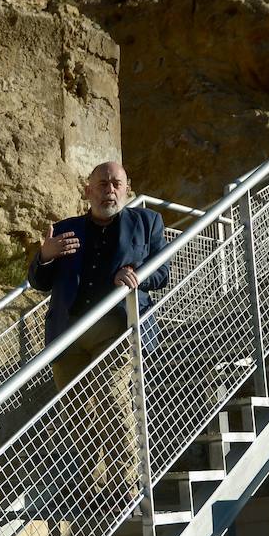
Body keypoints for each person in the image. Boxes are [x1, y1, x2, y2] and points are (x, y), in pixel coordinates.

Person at [27, 161, 170, 503]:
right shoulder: (66, 227)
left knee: (114, 404)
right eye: (102, 183)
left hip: (116, 327)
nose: (110, 189)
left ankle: (125, 492)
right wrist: (43, 257)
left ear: (127, 187)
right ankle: (91, 491)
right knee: (77, 417)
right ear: (88, 190)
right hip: (66, 334)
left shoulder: (147, 223)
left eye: (116, 183)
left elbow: (162, 272)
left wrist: (136, 273)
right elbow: (40, 282)